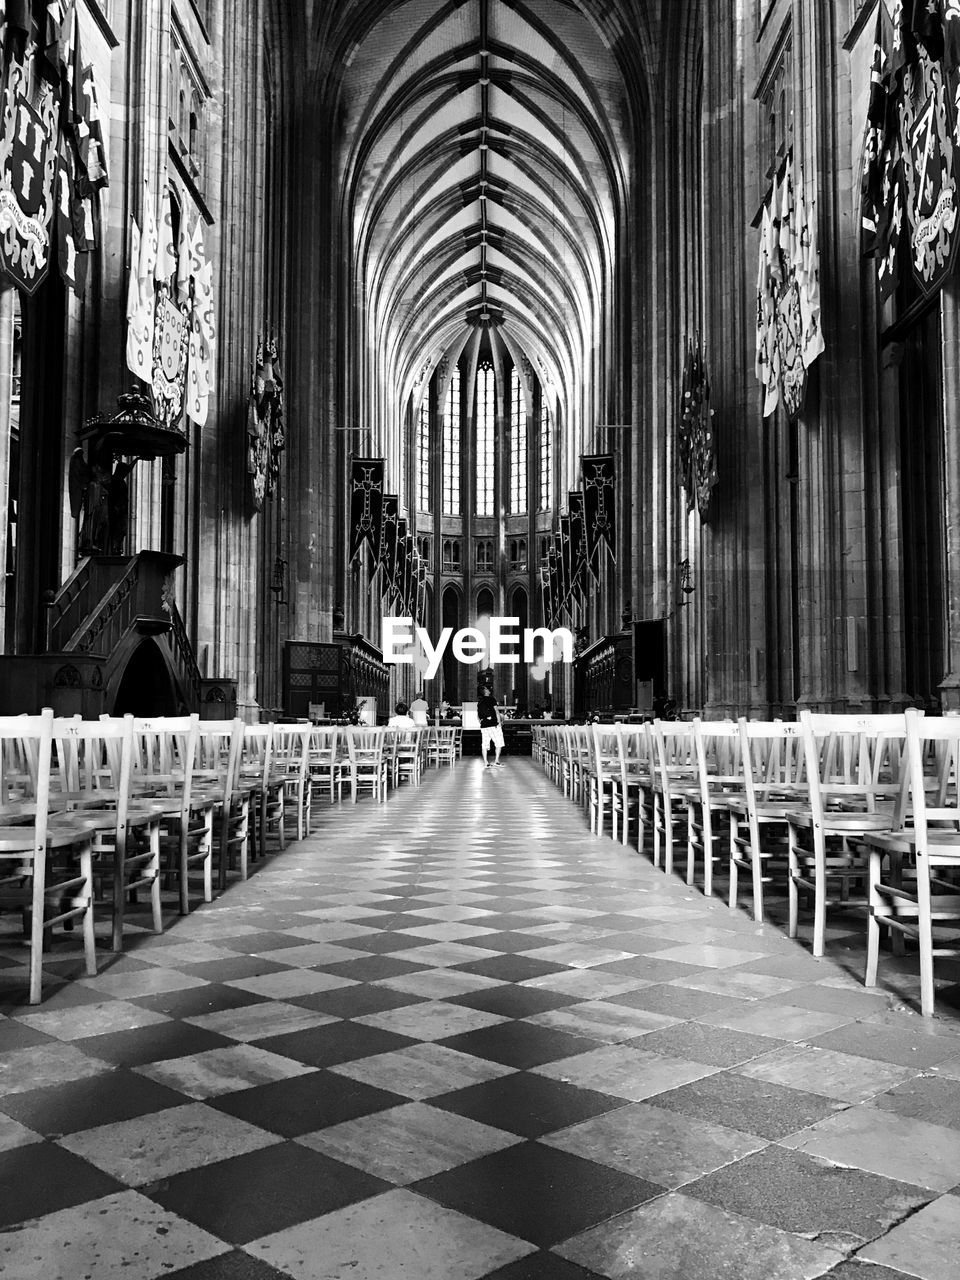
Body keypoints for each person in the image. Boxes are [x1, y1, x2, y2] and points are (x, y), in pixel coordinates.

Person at [477, 687, 504, 767]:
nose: (489, 690)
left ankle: (486, 763)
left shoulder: (480, 701)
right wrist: (499, 722)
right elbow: (496, 711)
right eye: (487, 689)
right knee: (499, 743)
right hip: (493, 724)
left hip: (484, 725)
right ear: (485, 691)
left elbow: (478, 714)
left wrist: (481, 721)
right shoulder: (491, 699)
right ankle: (496, 761)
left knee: (484, 744)